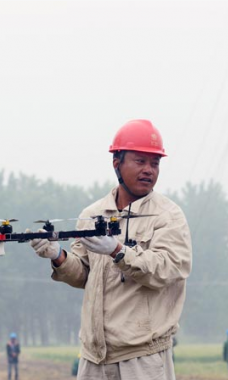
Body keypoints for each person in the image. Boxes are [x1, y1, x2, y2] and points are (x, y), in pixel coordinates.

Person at [29, 120, 193, 380]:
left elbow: (167, 270)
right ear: (117, 163)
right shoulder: (92, 215)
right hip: (94, 357)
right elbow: (84, 275)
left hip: (143, 357)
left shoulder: (168, 216)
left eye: (155, 163)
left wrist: (119, 251)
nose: (149, 170)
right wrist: (57, 256)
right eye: (140, 161)